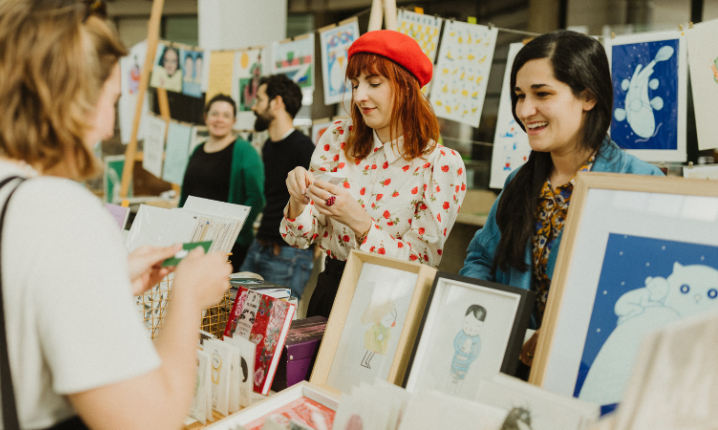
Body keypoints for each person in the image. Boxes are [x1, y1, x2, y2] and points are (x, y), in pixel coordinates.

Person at [0, 1, 231, 429]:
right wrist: (188, 300)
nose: (109, 127)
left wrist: (105, 280)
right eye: (111, 101)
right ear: (68, 98)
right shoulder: (56, 209)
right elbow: (148, 421)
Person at [458, 30, 663, 367]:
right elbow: (480, 259)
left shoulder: (638, 183)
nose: (525, 110)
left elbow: (650, 295)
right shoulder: (519, 183)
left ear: (588, 96)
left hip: (590, 374)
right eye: (519, 95)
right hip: (508, 366)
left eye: (542, 93)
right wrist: (494, 321)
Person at [282, 30, 467, 318]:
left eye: (374, 83)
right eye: (355, 85)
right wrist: (298, 200)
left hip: (390, 304)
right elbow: (302, 237)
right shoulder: (338, 138)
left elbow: (422, 262)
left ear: (406, 87)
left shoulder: (440, 164)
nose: (359, 96)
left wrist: (360, 222)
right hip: (330, 291)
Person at [240, 74, 316, 299]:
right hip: (260, 244)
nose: (254, 108)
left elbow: (316, 206)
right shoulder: (268, 146)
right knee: (234, 316)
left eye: (259, 100)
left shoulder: (303, 147)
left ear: (277, 103)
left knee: (274, 329)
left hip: (287, 252)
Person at [179, 94, 265, 271]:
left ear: (233, 120)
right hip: (193, 241)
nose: (219, 119)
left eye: (226, 115)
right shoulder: (197, 150)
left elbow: (256, 199)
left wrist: (231, 232)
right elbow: (185, 195)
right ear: (206, 117)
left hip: (228, 247)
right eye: (215, 114)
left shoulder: (245, 152)